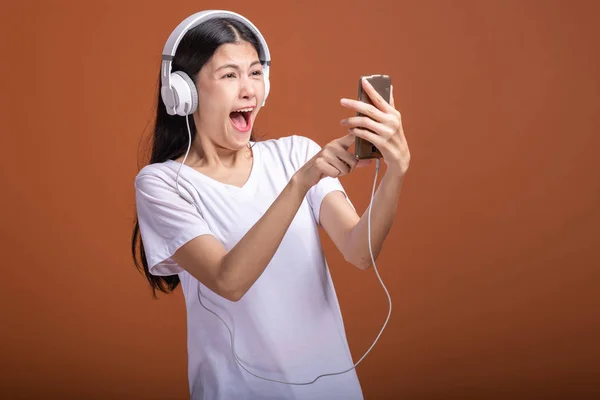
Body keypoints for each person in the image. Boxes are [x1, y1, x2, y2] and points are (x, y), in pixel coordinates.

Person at [131, 10, 410, 400]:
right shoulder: (162, 184)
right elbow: (229, 280)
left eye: (255, 73)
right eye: (229, 75)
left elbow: (360, 252)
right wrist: (299, 183)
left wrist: (396, 171)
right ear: (184, 91)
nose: (249, 90)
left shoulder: (296, 153)